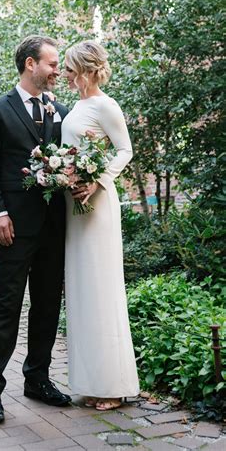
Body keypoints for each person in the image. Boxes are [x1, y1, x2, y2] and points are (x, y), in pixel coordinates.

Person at [0, 35, 71, 424]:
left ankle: (38, 379)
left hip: (53, 224)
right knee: (6, 303)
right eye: (52, 63)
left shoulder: (60, 110)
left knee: (47, 303)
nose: (57, 71)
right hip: (13, 225)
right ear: (30, 64)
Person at [62, 40, 139, 411]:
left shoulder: (106, 105)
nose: (64, 74)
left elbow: (124, 149)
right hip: (72, 208)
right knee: (81, 292)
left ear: (86, 69)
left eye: (69, 67)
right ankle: (91, 382)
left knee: (101, 289)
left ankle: (113, 384)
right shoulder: (76, 106)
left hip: (97, 204)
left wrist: (97, 180)